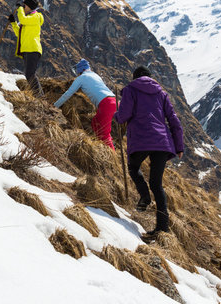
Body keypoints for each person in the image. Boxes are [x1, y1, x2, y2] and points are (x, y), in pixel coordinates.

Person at [114, 66, 184, 237]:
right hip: (162, 141)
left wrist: (116, 115)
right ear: (150, 78)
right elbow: (173, 120)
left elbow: (123, 116)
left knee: (133, 167)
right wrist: (179, 146)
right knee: (157, 184)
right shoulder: (162, 94)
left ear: (135, 77)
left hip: (141, 140)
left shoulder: (130, 90)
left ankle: (144, 196)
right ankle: (162, 227)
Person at [54, 59, 116, 150]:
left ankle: (112, 154)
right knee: (96, 122)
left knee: (103, 132)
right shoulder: (96, 75)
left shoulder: (81, 78)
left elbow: (68, 93)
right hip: (113, 100)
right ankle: (104, 145)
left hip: (106, 103)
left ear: (80, 70)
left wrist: (55, 105)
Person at [8, 0, 44, 96]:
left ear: (29, 7)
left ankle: (40, 96)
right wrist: (13, 23)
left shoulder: (35, 17)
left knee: (30, 74)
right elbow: (19, 34)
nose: (23, 7)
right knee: (29, 74)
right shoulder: (29, 19)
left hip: (33, 48)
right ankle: (39, 95)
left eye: (24, 6)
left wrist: (19, 9)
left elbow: (23, 20)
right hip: (27, 49)